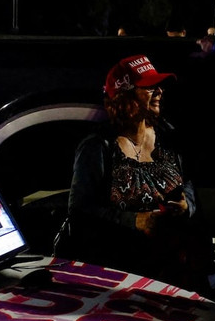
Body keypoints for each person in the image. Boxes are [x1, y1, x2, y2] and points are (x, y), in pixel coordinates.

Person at [66, 54, 206, 291]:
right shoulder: (99, 147)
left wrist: (186, 206)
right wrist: (135, 221)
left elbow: (190, 187)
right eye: (149, 87)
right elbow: (79, 210)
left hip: (176, 272)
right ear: (125, 97)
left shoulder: (168, 135)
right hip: (120, 275)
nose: (160, 91)